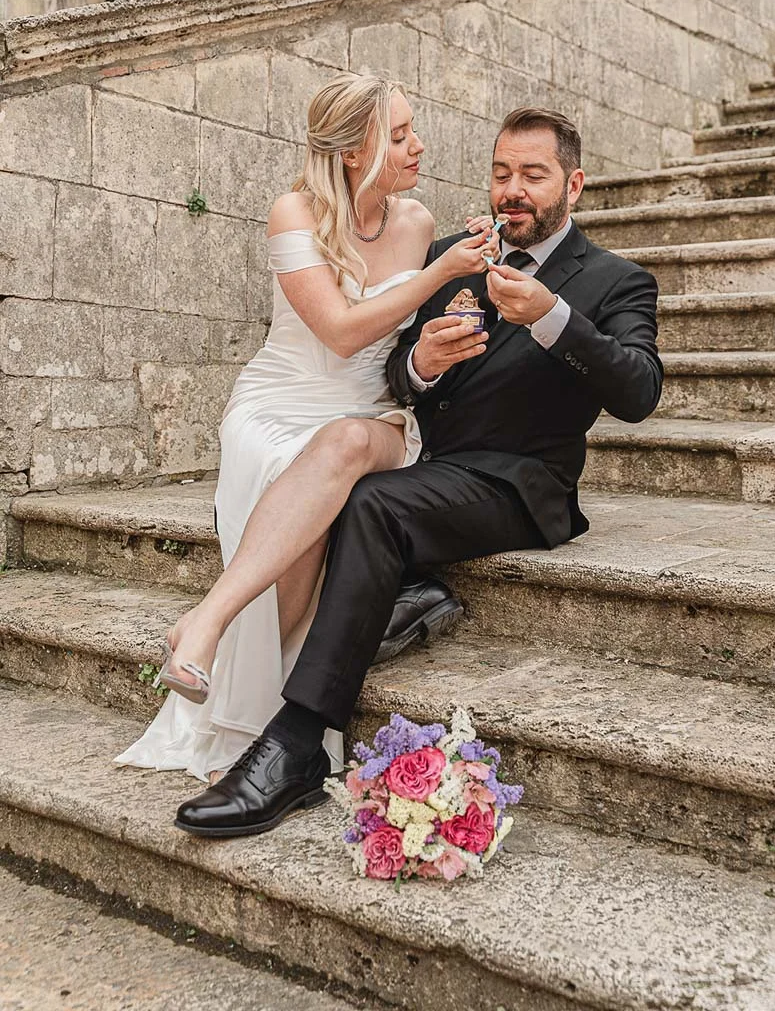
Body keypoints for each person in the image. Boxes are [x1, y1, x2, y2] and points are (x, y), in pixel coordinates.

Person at [172, 104, 664, 838]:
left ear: (575, 184)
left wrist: (553, 316)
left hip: (518, 484)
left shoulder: (615, 281)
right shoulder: (453, 254)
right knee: (353, 487)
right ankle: (397, 595)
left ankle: (297, 743)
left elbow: (638, 390)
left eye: (533, 175)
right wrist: (423, 366)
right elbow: (392, 377)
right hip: (433, 467)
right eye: (502, 173)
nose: (513, 190)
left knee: (370, 504)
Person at [114, 73, 499, 781]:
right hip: (277, 401)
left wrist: (460, 294)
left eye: (414, 130)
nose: (421, 145)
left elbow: (399, 337)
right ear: (354, 150)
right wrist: (442, 267)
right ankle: (255, 692)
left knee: (344, 445)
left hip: (369, 414)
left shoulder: (414, 224)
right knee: (285, 473)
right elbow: (342, 330)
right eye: (402, 133)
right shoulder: (293, 212)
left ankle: (207, 626)